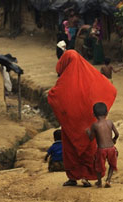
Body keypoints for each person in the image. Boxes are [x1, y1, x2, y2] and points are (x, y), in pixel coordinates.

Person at [48, 50, 117, 187]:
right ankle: (87, 177)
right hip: (88, 125)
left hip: (71, 126)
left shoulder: (64, 81)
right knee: (88, 152)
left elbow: (53, 97)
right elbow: (110, 89)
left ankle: (73, 178)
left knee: (71, 152)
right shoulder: (90, 76)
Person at [86, 102, 119, 188]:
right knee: (112, 164)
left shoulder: (95, 125)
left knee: (99, 166)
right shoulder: (110, 122)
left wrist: (87, 131)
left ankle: (99, 182)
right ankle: (108, 180)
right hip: (111, 148)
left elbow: (91, 138)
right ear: (107, 113)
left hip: (101, 149)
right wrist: (114, 139)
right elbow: (117, 133)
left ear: (94, 114)